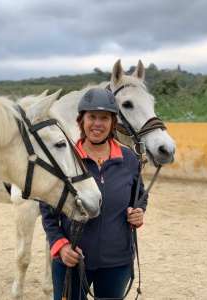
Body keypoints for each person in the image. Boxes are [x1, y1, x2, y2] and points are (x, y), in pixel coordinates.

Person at [40, 88, 148, 300]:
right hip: (72, 259)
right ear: (81, 120)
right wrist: (60, 246)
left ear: (113, 123)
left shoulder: (128, 159)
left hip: (117, 261)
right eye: (92, 117)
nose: (97, 124)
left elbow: (140, 195)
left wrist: (138, 212)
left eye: (104, 118)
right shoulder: (65, 158)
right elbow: (47, 207)